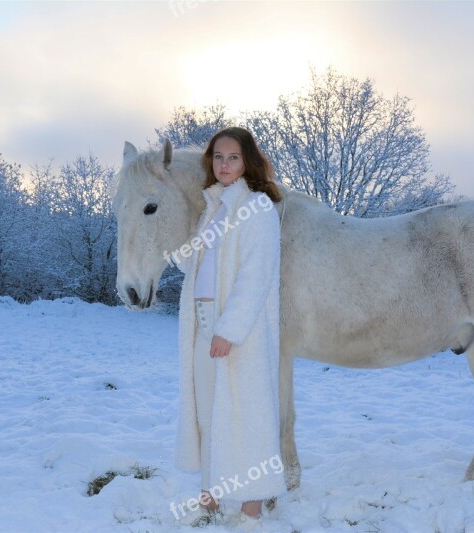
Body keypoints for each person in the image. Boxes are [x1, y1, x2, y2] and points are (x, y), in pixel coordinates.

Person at [173, 127, 286, 528]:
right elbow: (201, 268)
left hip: (240, 334)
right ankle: (213, 489)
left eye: (233, 157)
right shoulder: (214, 207)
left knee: (246, 413)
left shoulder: (257, 208)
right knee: (208, 413)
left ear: (248, 162)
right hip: (204, 327)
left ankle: (253, 501)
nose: (224, 165)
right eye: (218, 157)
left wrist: (230, 329)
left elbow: (255, 276)